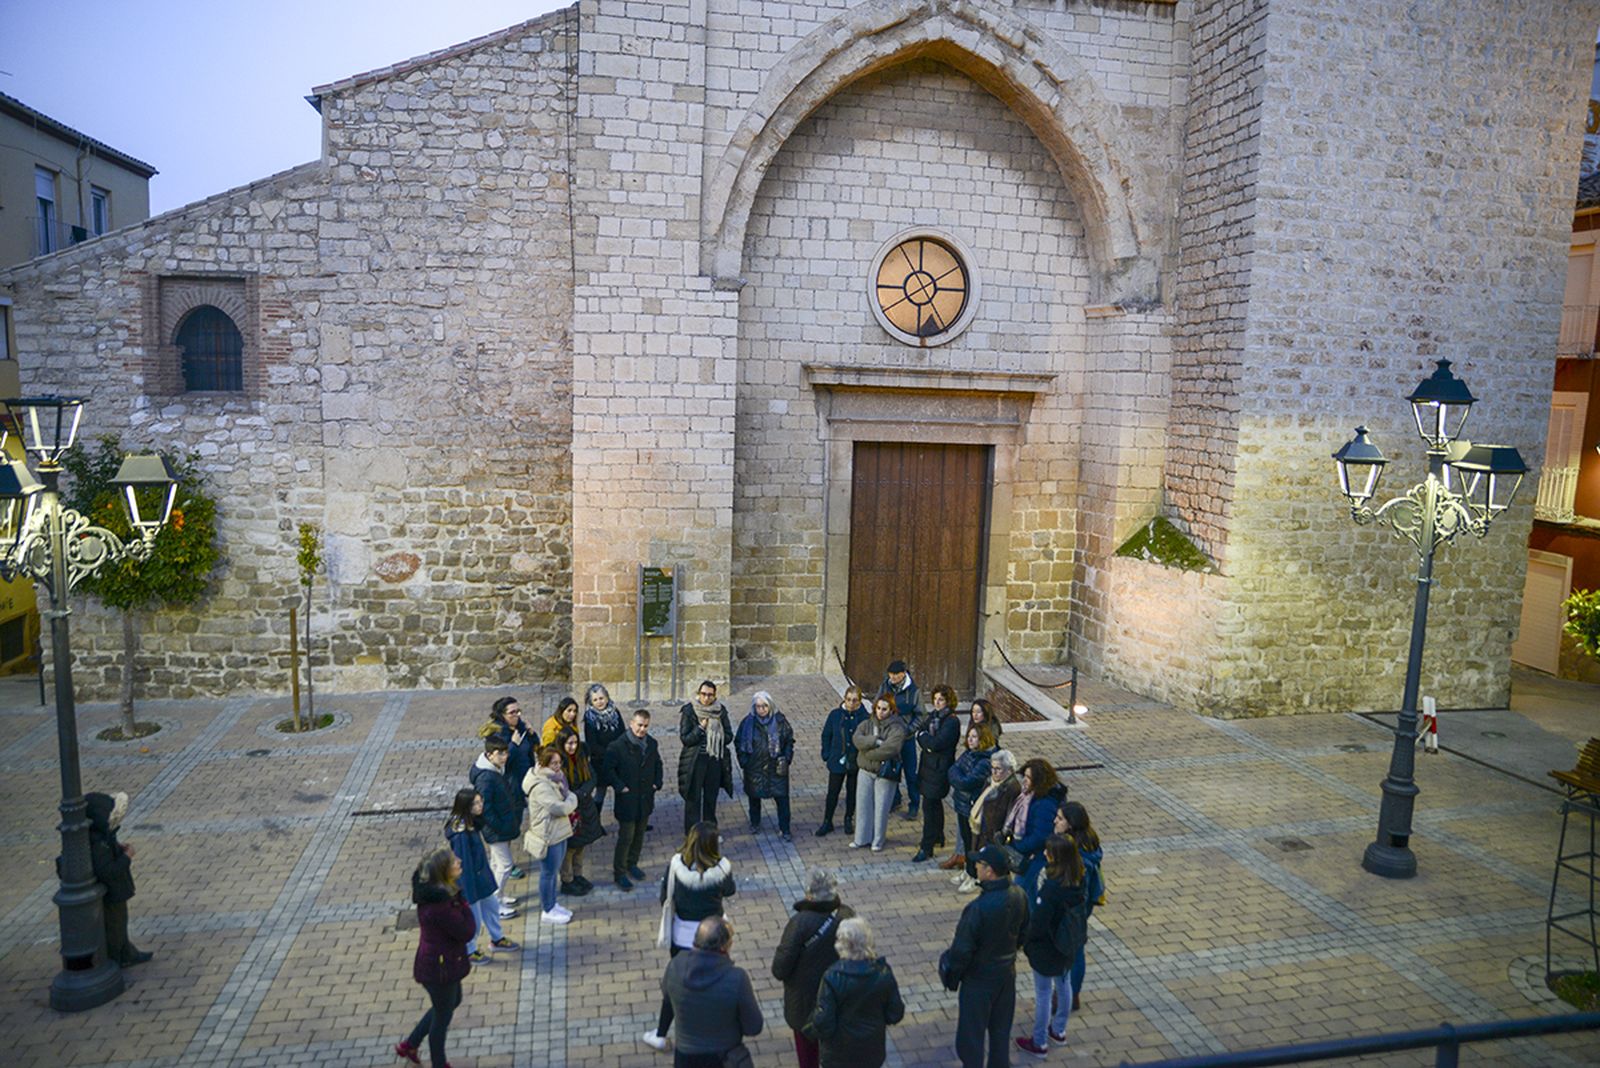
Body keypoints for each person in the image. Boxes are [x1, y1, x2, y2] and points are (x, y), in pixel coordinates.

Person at [643, 821, 737, 1052]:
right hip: (714, 935)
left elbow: (665, 896)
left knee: (676, 984)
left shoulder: (676, 866)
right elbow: (731, 890)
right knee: (714, 982)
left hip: (682, 937)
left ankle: (660, 1033)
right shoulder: (722, 869)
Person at [941, 844, 1029, 1068]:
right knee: (1000, 1033)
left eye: (979, 864)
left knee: (971, 1037)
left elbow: (962, 951)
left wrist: (950, 975)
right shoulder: (1019, 895)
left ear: (990, 871)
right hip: (1006, 975)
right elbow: (1024, 934)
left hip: (979, 981)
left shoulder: (978, 909)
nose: (976, 867)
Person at [394, 848, 475, 1068]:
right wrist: (464, 902)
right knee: (442, 1018)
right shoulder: (441, 907)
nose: (459, 861)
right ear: (443, 872)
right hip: (439, 968)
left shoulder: (438, 895)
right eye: (454, 862)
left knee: (450, 1002)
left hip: (441, 963)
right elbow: (467, 930)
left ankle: (409, 1044)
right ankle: (438, 1063)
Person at [771, 869, 855, 1068]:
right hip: (838, 998)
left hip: (804, 1003)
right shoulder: (846, 916)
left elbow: (780, 969)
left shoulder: (799, 923)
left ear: (809, 894)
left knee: (808, 1054)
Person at [1016, 835, 1088, 1057]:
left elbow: (1038, 924)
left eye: (1048, 852)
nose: (1045, 854)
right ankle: (1058, 1030)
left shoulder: (1051, 889)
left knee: (1044, 993)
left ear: (1056, 857)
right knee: (1064, 984)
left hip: (1047, 948)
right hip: (1068, 943)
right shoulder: (1078, 879)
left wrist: (1025, 942)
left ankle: (1039, 1042)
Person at [659, 916, 764, 1067]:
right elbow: (754, 1027)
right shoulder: (736, 978)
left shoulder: (674, 966)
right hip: (724, 1058)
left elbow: (668, 999)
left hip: (685, 1058)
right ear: (724, 947)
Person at [806, 917, 905, 1068]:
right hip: (872, 1051)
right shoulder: (883, 974)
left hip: (838, 1054)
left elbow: (824, 1023)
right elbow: (895, 1013)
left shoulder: (832, 976)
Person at [443, 788, 515, 962]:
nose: (480, 805)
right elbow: (464, 863)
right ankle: (470, 950)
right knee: (472, 917)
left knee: (491, 907)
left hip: (480, 876)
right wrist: (468, 890)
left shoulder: (470, 824)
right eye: (475, 803)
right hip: (471, 881)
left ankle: (496, 938)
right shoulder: (461, 834)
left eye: (480, 801)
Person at [80, 791, 151, 967]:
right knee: (115, 926)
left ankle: (126, 953)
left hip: (115, 891)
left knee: (120, 923)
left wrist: (117, 848)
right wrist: (126, 857)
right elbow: (109, 870)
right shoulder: (97, 843)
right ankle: (118, 958)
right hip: (112, 891)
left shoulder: (100, 836)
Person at [603, 707, 663, 890]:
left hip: (645, 798)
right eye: (639, 725)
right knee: (626, 837)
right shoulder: (617, 746)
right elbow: (607, 770)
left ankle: (632, 863)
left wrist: (656, 783)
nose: (642, 729)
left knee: (639, 835)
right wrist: (621, 787)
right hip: (627, 800)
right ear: (631, 724)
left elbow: (658, 764)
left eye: (645, 726)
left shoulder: (651, 743)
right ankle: (619, 872)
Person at [1057, 800, 1104, 1013]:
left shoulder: (1076, 855)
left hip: (1074, 907)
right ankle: (1072, 993)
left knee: (1072, 951)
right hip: (1081, 906)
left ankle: (1070, 994)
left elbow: (1076, 888)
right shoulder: (1086, 842)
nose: (1054, 821)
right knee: (1076, 949)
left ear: (1071, 824)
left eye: (1059, 819)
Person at [522, 747, 578, 925]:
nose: (558, 766)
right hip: (548, 834)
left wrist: (568, 798)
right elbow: (559, 808)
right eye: (553, 763)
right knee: (548, 873)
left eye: (559, 762)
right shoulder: (541, 785)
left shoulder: (555, 778)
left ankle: (553, 904)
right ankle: (547, 909)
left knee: (554, 873)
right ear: (543, 764)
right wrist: (573, 798)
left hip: (558, 830)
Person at [480, 696, 533, 878]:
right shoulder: (498, 734)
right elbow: (503, 761)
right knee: (508, 825)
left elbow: (532, 748)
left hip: (522, 781)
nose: (517, 715)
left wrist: (532, 734)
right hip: (509, 786)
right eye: (512, 712)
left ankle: (504, 861)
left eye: (518, 711)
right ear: (502, 715)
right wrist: (514, 745)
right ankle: (505, 864)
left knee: (515, 822)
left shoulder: (519, 729)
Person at [469, 738, 521, 919]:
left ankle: (495, 896)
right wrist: (500, 826)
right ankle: (494, 903)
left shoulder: (494, 770)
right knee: (505, 865)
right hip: (495, 830)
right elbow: (485, 808)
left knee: (496, 864)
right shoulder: (486, 778)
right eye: (500, 753)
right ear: (489, 754)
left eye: (506, 752)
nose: (505, 757)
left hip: (499, 827)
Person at [735, 690, 795, 840]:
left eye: (764, 706)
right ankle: (755, 823)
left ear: (770, 706)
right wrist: (744, 762)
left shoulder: (780, 722)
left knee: (782, 800)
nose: (761, 709)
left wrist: (786, 759)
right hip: (754, 769)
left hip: (776, 769)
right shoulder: (747, 723)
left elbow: (789, 741)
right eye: (758, 706)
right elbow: (739, 742)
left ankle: (785, 829)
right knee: (754, 799)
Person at [850, 695, 908, 852]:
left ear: (891, 710)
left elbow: (891, 749)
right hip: (865, 771)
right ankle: (861, 838)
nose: (881, 712)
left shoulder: (897, 727)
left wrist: (867, 754)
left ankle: (877, 840)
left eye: (884, 709)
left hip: (885, 773)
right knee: (863, 806)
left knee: (881, 809)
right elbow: (857, 739)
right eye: (878, 708)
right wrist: (874, 741)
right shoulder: (866, 724)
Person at [678, 680, 734, 833]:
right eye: (703, 694)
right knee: (693, 800)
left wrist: (718, 733)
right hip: (695, 761)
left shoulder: (720, 711)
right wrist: (701, 728)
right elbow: (686, 739)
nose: (706, 698)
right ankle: (692, 834)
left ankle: (710, 833)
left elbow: (729, 736)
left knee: (710, 799)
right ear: (698, 694)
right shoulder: (689, 711)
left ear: (714, 696)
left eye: (710, 695)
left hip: (714, 760)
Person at [913, 684, 961, 863]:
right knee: (934, 804)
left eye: (940, 700)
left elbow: (936, 743)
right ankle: (938, 835)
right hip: (928, 767)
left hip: (940, 769)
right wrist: (926, 740)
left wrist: (926, 741)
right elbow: (920, 731)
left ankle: (926, 847)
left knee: (929, 806)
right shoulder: (934, 716)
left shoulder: (951, 721)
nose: (937, 703)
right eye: (935, 700)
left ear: (948, 701)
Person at [1006, 759, 1067, 900]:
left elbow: (1040, 836)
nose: (1024, 781)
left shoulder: (1044, 804)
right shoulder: (1030, 797)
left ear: (1039, 781)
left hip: (1037, 858)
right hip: (1032, 855)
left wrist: (1018, 845)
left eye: (1028, 778)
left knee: (1023, 893)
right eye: (1024, 776)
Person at [962, 749, 1021, 894]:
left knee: (992, 867)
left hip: (994, 833)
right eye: (993, 768)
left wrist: (1002, 835)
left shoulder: (1012, 788)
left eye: (998, 769)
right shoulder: (991, 781)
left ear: (1009, 770)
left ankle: (983, 883)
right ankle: (973, 876)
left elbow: (1010, 815)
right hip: (982, 827)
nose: (994, 772)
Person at [556, 726, 604, 897]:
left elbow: (592, 777)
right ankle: (567, 880)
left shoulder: (581, 756)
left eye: (575, 742)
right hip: (569, 810)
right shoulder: (557, 761)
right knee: (569, 848)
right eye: (569, 743)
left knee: (581, 845)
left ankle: (578, 875)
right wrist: (573, 797)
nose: (573, 747)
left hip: (584, 806)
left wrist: (583, 793)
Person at [817, 684, 868, 836]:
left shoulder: (864, 718)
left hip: (855, 761)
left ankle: (848, 818)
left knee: (852, 792)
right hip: (837, 760)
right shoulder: (835, 715)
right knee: (833, 792)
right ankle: (827, 821)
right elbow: (826, 735)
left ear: (860, 702)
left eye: (854, 701)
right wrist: (826, 754)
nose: (851, 704)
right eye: (848, 700)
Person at [946, 724, 998, 874]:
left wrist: (957, 779)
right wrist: (958, 777)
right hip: (961, 803)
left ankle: (973, 874)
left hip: (971, 805)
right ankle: (967, 871)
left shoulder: (984, 760)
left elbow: (967, 782)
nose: (970, 740)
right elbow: (953, 768)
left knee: (972, 843)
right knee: (966, 840)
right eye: (969, 736)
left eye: (974, 737)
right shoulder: (969, 753)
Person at [881, 660, 921, 818]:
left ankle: (914, 804)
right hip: (890, 737)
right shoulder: (885, 686)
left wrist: (909, 730)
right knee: (892, 769)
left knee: (911, 773)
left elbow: (921, 715)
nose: (893, 678)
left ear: (903, 674)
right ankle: (895, 799)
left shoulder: (913, 692)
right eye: (890, 675)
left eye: (896, 675)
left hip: (907, 738)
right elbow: (878, 704)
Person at [583, 683, 627, 818]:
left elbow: (622, 732)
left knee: (621, 789)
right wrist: (609, 753)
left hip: (618, 759)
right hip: (601, 761)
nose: (599, 702)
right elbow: (592, 744)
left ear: (607, 698)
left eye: (601, 698)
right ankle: (596, 823)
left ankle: (626, 819)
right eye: (595, 700)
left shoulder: (615, 712)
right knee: (600, 792)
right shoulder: (589, 718)